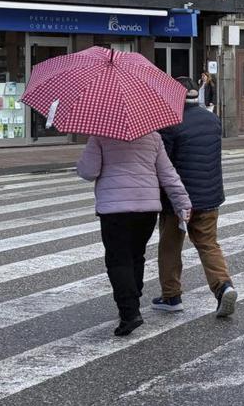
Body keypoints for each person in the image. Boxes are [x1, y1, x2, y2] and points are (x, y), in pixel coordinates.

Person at [76, 132, 191, 336]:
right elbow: (168, 174)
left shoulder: (100, 136)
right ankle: (133, 300)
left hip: (114, 210)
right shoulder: (153, 137)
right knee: (136, 255)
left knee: (118, 260)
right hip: (147, 209)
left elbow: (88, 172)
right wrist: (183, 203)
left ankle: (130, 313)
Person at [153, 80, 236, 318]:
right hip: (209, 196)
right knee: (209, 244)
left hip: (177, 201)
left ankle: (171, 296)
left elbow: (164, 164)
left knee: (170, 246)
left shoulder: (169, 122)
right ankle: (223, 286)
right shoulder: (212, 119)